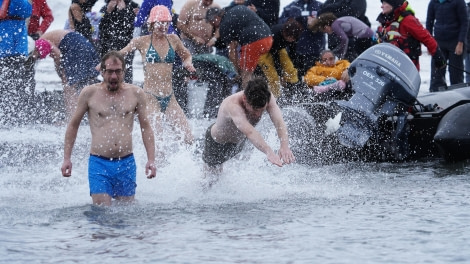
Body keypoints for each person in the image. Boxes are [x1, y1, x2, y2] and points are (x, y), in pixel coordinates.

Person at [61, 51, 156, 206]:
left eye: (118, 72)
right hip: (99, 163)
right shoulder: (89, 93)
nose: (113, 77)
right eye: (110, 72)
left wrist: (151, 159)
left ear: (124, 72)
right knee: (101, 214)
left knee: (125, 216)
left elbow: (146, 127)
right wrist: (67, 158)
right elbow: (73, 125)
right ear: (102, 72)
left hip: (126, 163)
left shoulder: (136, 93)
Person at [118, 5, 195, 148]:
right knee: (156, 145)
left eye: (167, 23)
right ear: (152, 23)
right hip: (150, 97)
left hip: (170, 97)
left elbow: (186, 55)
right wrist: (104, 63)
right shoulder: (141, 41)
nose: (164, 26)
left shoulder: (173, 39)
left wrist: (188, 64)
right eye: (160, 22)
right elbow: (120, 54)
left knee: (188, 139)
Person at [202, 77, 295, 187]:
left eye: (262, 110)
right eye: (255, 110)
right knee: (210, 183)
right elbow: (250, 132)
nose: (258, 115)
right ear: (245, 99)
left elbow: (279, 122)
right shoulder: (233, 105)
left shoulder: (267, 97)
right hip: (217, 144)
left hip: (238, 143)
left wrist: (284, 146)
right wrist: (269, 151)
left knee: (226, 179)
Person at [33, 29, 100, 118]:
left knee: (69, 86)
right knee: (88, 81)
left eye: (39, 57)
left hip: (73, 46)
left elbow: (57, 54)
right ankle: (97, 112)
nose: (39, 58)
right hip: (83, 43)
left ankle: (72, 118)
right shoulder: (46, 38)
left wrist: (62, 74)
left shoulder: (40, 43)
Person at [206, 5, 273, 89]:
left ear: (216, 18)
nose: (212, 25)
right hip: (268, 38)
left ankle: (246, 98)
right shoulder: (235, 8)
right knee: (254, 71)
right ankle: (262, 92)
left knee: (245, 75)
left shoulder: (224, 26)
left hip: (253, 42)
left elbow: (232, 53)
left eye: (210, 22)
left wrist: (236, 73)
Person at [376, 0, 445, 72]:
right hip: (388, 67)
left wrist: (438, 57)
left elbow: (426, 37)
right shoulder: (384, 22)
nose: (381, 6)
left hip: (407, 70)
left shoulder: (408, 20)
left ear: (393, 5)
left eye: (384, 3)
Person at [0, 0, 32, 124]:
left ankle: (16, 117)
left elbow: (26, 11)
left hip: (17, 49)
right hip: (4, 48)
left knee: (18, 84)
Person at [426, 0, 468, 92]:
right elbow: (429, 22)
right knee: (437, 76)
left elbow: (464, 23)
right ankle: (436, 95)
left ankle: (458, 98)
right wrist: (429, 44)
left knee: (456, 76)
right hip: (439, 44)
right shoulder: (434, 2)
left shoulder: (459, 2)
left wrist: (460, 42)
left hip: (455, 43)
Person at [279, 0, 326, 79]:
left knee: (314, 78)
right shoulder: (291, 7)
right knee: (295, 78)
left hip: (315, 51)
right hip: (295, 50)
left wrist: (316, 22)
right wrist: (293, 21)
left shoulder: (320, 6)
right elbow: (280, 22)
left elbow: (328, 23)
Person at [257, 18, 303, 98]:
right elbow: (275, 58)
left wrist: (295, 65)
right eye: (289, 37)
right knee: (273, 76)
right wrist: (281, 75)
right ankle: (276, 97)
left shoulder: (295, 36)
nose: (290, 40)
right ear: (284, 33)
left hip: (279, 48)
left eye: (293, 38)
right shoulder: (275, 35)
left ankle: (294, 89)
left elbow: (293, 52)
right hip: (264, 51)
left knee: (290, 68)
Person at [99, 0, 137, 84]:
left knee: (126, 73)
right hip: (108, 47)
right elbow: (101, 30)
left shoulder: (132, 6)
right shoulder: (104, 8)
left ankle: (127, 95)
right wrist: (108, 12)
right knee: (108, 73)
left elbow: (130, 29)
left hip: (126, 47)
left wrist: (123, 11)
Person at [310, 12, 375, 61]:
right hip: (368, 35)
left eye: (324, 30)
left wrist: (341, 55)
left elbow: (344, 39)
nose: (326, 32)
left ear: (326, 26)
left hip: (365, 37)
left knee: (360, 57)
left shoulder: (335, 25)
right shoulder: (338, 22)